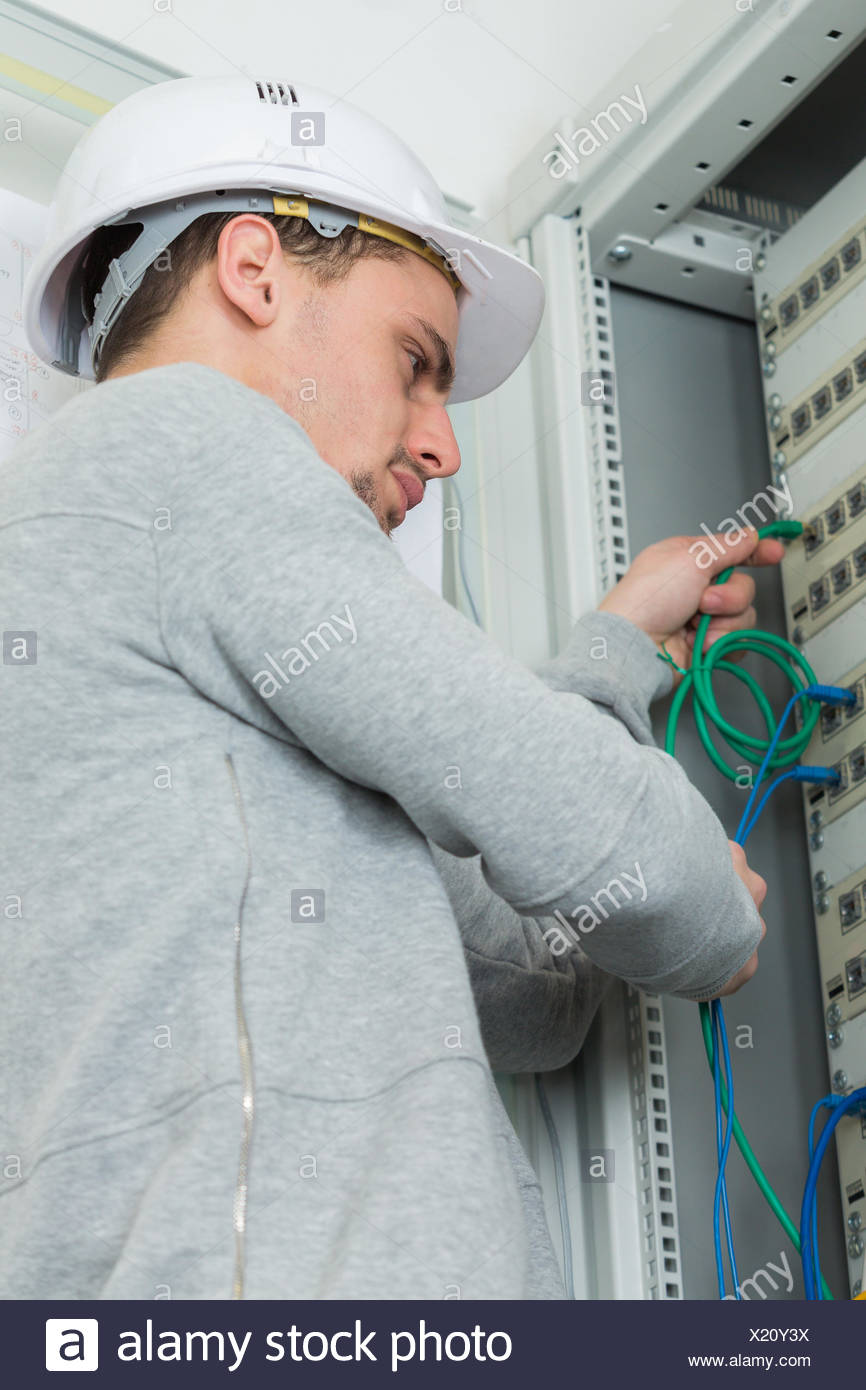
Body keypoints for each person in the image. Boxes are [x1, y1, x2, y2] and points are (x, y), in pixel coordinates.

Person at [0, 75, 770, 1300]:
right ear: (253, 271)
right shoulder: (179, 439)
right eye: (415, 362)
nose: (441, 443)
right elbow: (628, 859)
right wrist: (702, 902)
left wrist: (616, 647)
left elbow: (531, 987)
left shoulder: (146, 618)